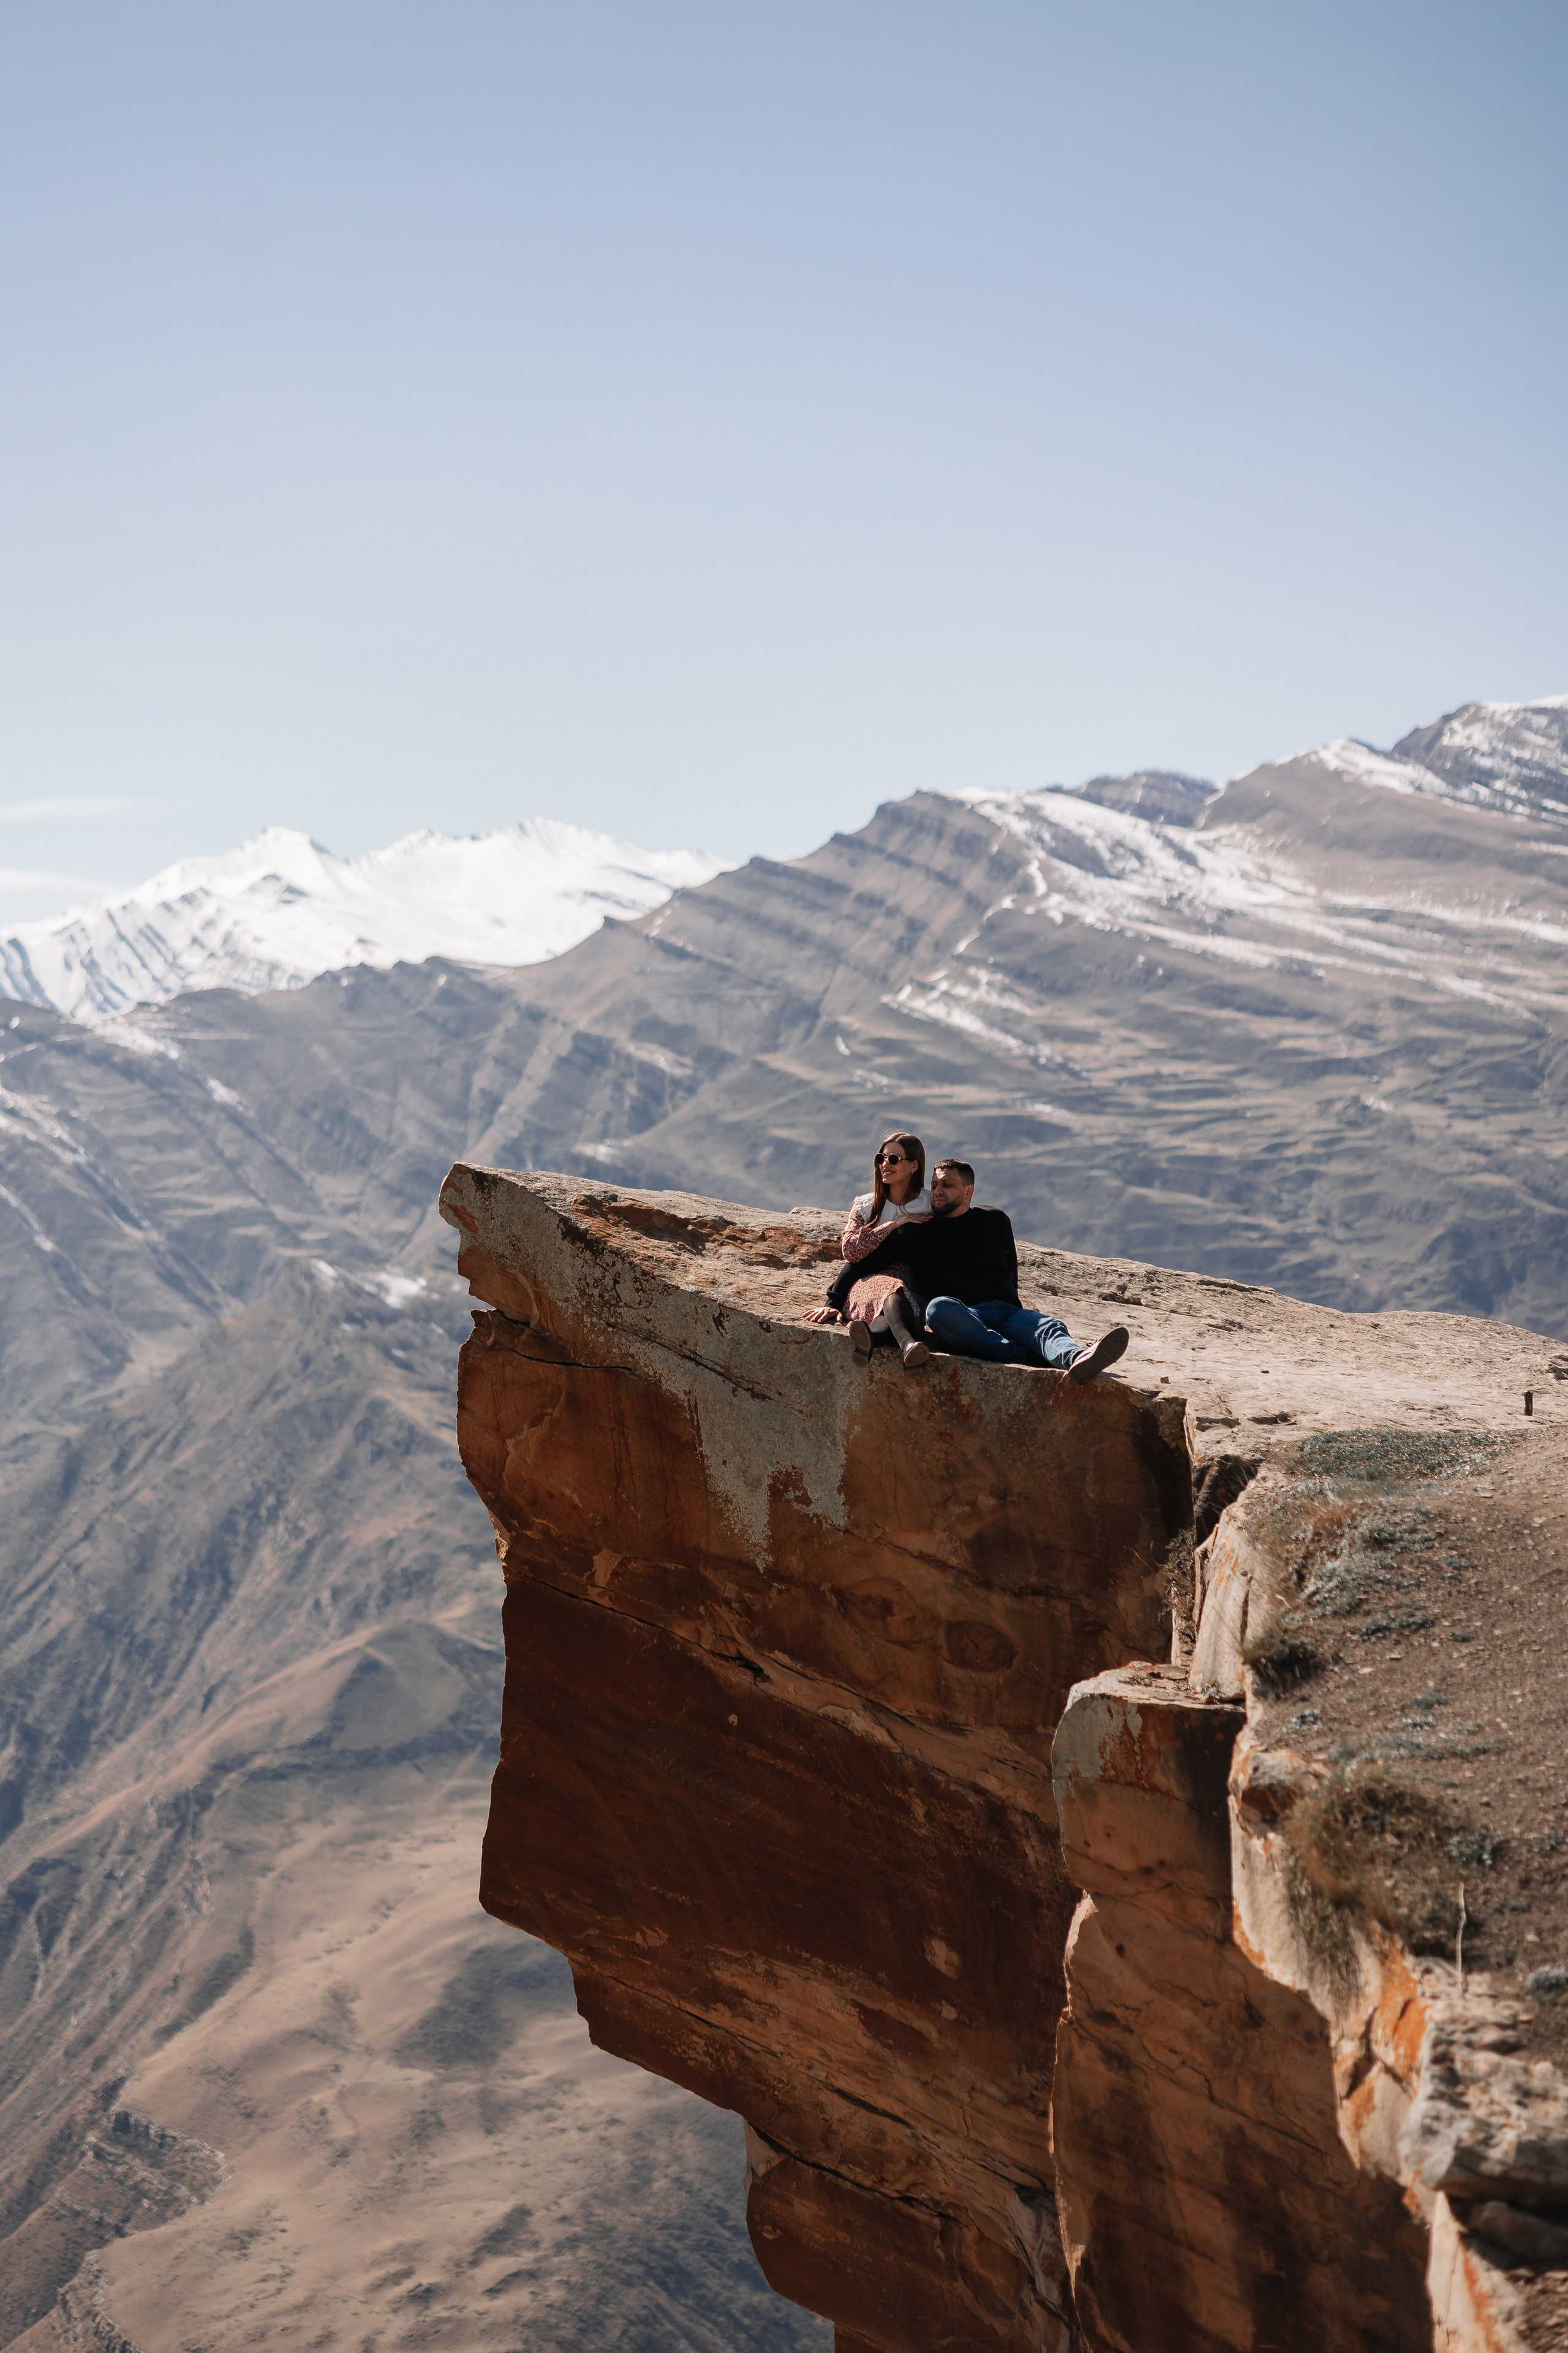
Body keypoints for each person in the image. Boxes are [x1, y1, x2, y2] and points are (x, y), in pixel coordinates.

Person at [815, 1157, 1129, 1380]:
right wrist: (833, 1302)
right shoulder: (917, 1231)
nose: (937, 1191)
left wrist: (1013, 1305)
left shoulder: (994, 1220)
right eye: (935, 1184)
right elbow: (861, 1263)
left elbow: (1010, 1268)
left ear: (969, 1191)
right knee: (937, 1310)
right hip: (961, 1315)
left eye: (947, 1186)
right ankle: (1023, 1356)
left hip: (1003, 1310)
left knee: (1047, 1326)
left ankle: (1078, 1358)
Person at [802, 1131, 933, 1365]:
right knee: (890, 1289)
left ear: (914, 1166)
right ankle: (908, 1345)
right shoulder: (865, 1206)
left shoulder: (930, 1205)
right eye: (880, 1158)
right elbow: (851, 1252)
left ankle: (870, 1339)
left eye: (893, 1159)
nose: (885, 1164)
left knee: (896, 1298)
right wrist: (891, 1226)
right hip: (866, 1281)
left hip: (914, 1284)